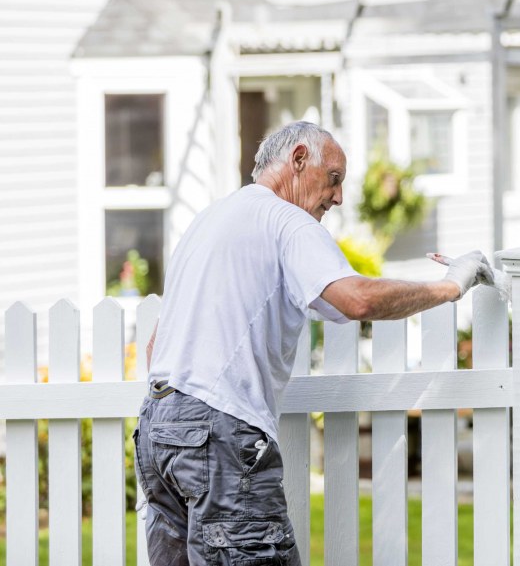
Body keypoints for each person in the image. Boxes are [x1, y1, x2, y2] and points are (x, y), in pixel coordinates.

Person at [135, 121, 493, 565]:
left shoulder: (209, 221)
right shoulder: (286, 220)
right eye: (334, 178)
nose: (338, 198)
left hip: (157, 430)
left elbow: (157, 346)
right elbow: (355, 299)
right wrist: (449, 288)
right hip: (219, 432)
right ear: (299, 159)